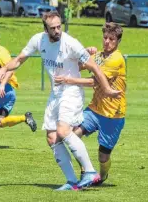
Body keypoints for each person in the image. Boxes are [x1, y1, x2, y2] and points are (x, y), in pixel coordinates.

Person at [0, 11, 121, 190]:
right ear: (45, 28)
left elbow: (93, 65)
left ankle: (90, 171)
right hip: (56, 93)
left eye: (59, 26)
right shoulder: (39, 40)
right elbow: (20, 59)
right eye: (53, 28)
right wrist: (3, 69)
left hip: (71, 92)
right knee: (52, 137)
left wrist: (107, 89)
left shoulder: (70, 43)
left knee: (63, 130)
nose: (57, 30)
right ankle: (71, 181)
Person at [54, 22, 126, 186]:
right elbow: (77, 67)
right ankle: (87, 172)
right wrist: (85, 52)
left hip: (113, 114)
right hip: (94, 110)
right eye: (105, 37)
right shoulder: (99, 55)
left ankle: (102, 175)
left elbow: (95, 82)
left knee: (103, 156)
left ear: (118, 41)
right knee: (71, 134)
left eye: (111, 39)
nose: (107, 41)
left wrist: (69, 80)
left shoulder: (116, 59)